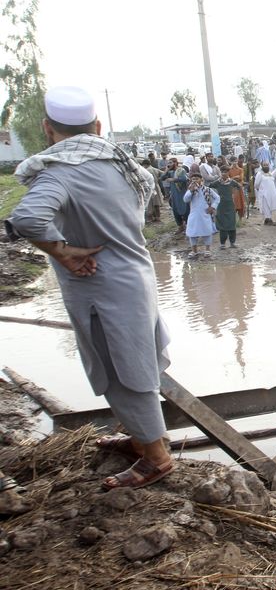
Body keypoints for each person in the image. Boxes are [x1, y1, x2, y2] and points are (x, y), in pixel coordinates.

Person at [5, 86, 175, 490]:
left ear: (48, 129)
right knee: (136, 363)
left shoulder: (60, 172)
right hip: (136, 275)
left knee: (124, 372)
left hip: (102, 286)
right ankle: (140, 437)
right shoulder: (122, 163)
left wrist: (62, 251)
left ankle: (155, 458)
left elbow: (27, 218)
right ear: (97, 126)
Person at [183, 172, 219, 258]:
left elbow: (217, 198)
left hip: (205, 214)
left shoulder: (207, 189)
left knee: (207, 232)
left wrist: (213, 207)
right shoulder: (190, 190)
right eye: (193, 179)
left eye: (197, 179)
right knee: (192, 233)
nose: (195, 180)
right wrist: (191, 191)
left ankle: (207, 250)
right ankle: (194, 251)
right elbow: (185, 200)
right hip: (194, 215)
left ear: (201, 180)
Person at [211, 169, 241, 249]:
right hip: (221, 206)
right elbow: (208, 187)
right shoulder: (217, 182)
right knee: (222, 225)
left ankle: (232, 243)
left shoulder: (232, 182)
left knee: (231, 224)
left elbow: (239, 186)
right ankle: (222, 244)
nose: (224, 173)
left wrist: (235, 194)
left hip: (230, 205)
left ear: (228, 173)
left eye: (226, 172)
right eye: (222, 172)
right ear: (221, 173)